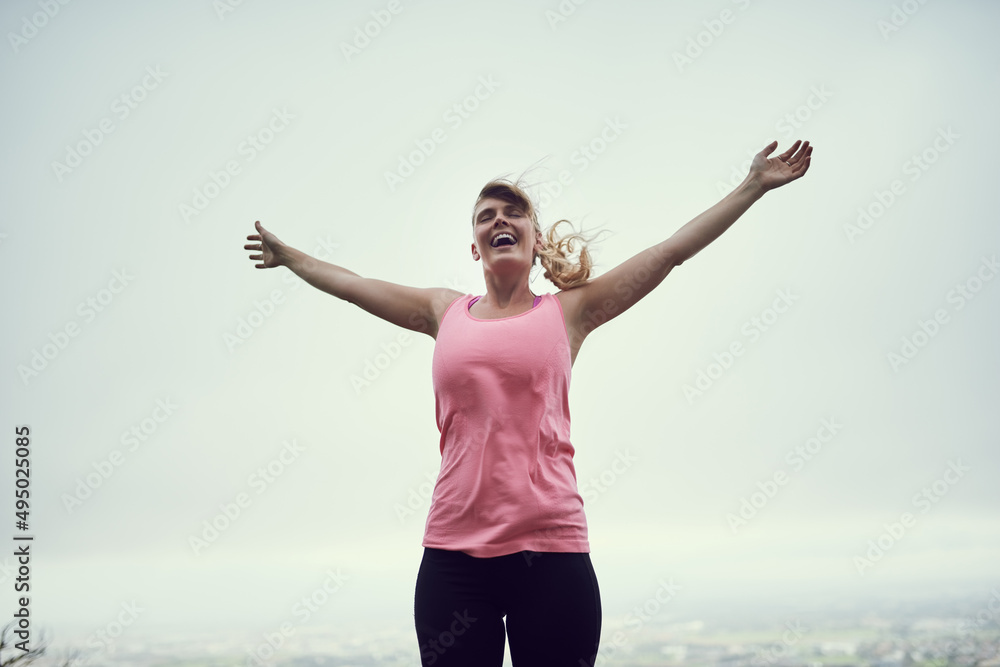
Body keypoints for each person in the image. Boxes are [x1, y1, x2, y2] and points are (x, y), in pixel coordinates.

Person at [244, 139, 813, 666]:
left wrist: (752, 186)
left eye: (513, 212)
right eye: (486, 215)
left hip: (553, 556)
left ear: (536, 240)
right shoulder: (443, 311)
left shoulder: (569, 313)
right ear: (475, 247)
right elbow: (352, 283)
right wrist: (291, 256)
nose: (500, 220)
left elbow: (668, 254)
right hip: (454, 559)